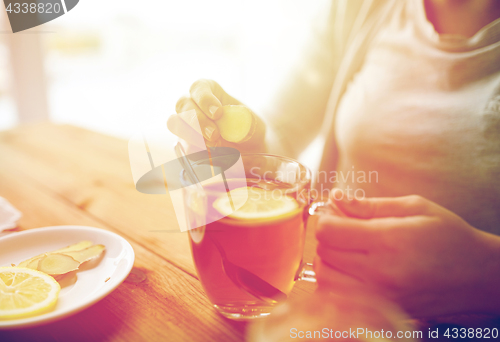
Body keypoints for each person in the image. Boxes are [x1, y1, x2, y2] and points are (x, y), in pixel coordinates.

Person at [168, 0, 500, 318]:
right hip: (338, 312)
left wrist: (487, 272)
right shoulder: (358, 6)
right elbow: (284, 137)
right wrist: (242, 142)